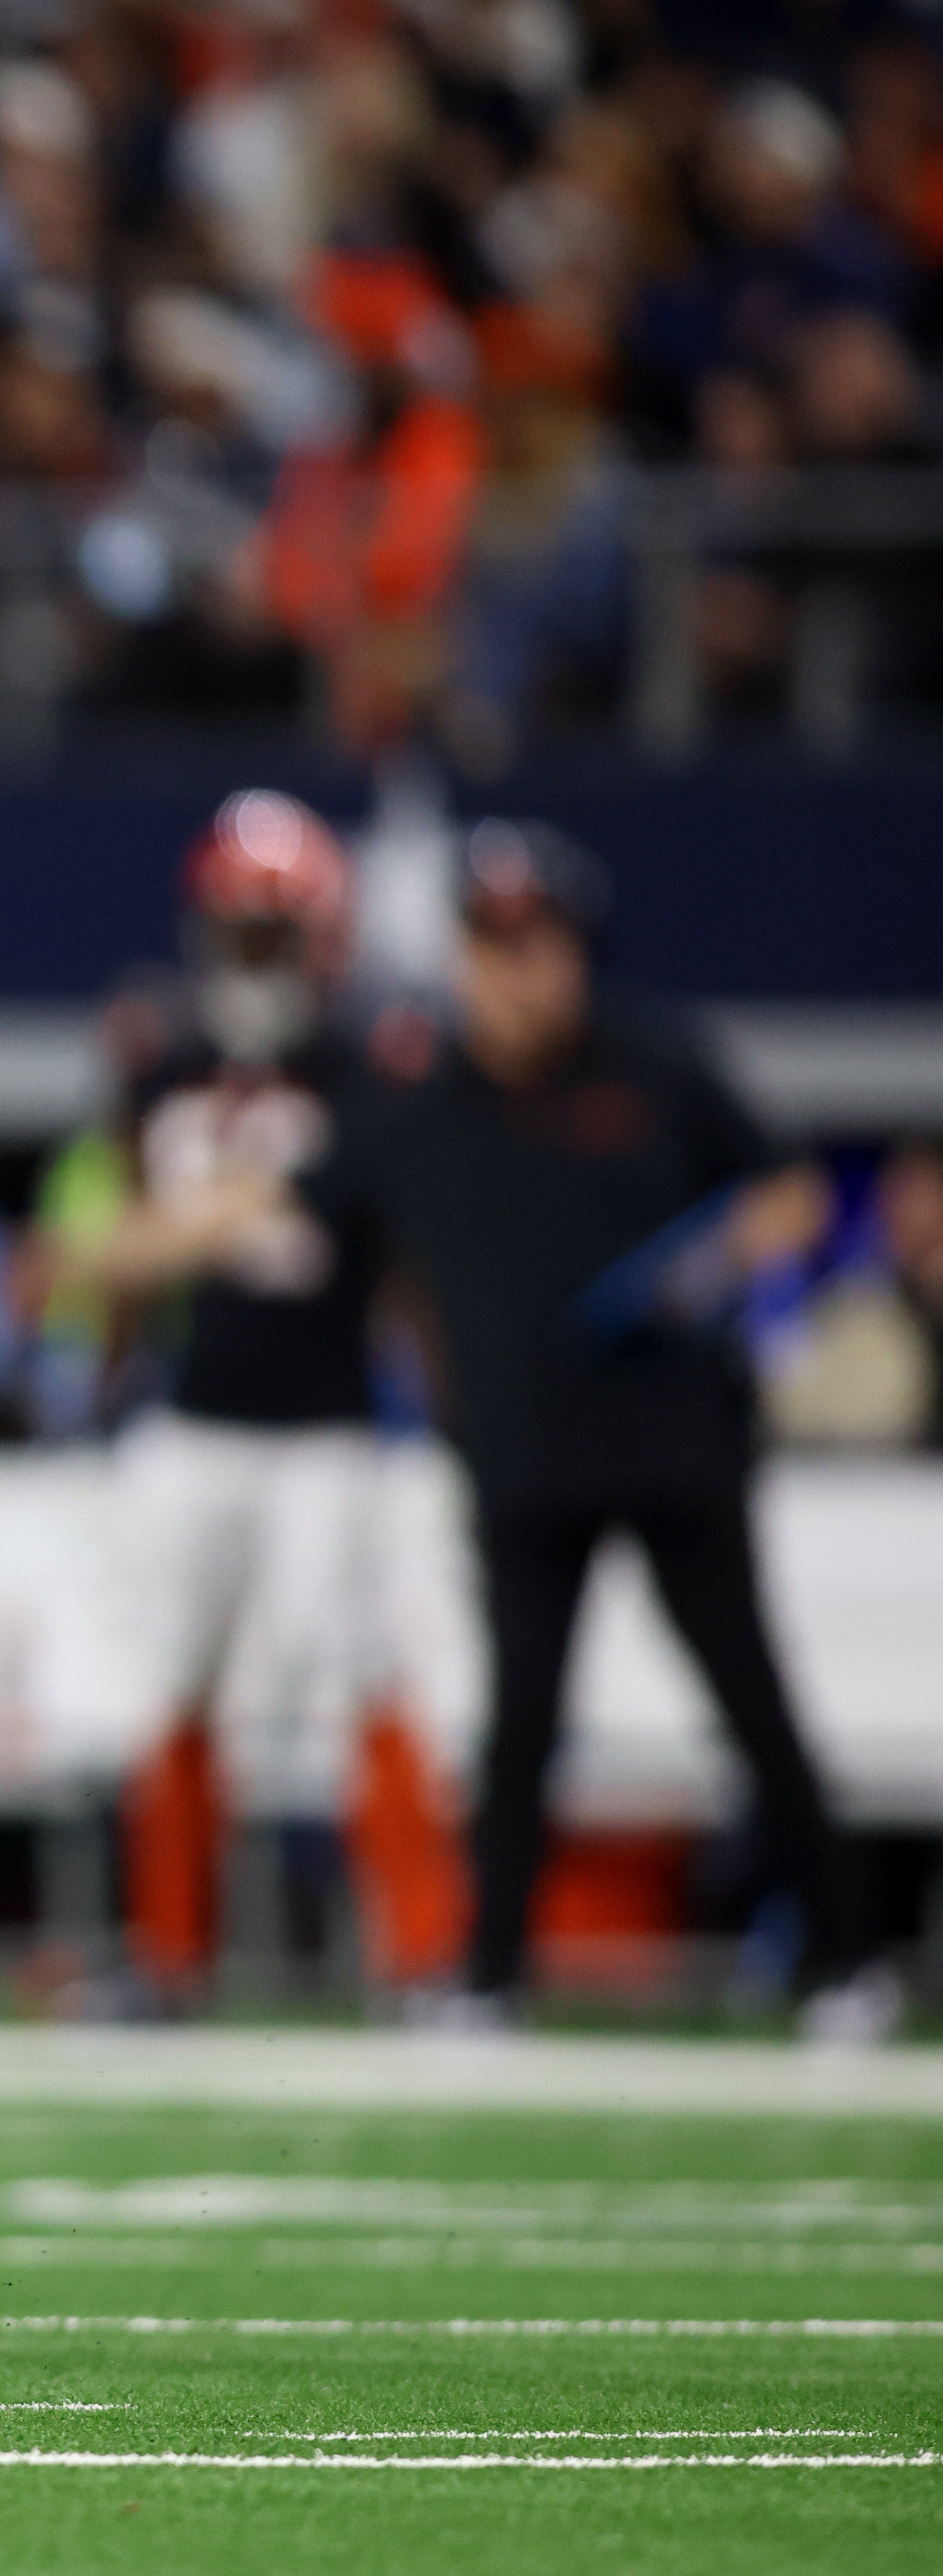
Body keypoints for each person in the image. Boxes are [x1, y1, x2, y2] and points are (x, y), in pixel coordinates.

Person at [188, 822, 896, 2042]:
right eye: (488, 946)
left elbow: (789, 1194)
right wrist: (115, 1246)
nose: (512, 974)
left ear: (577, 951)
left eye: (534, 945)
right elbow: (282, 1203)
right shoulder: (418, 1107)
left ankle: (847, 1957)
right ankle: (489, 1972)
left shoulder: (655, 1067)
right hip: (521, 1456)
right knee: (517, 1723)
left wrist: (704, 1265)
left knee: (753, 1703)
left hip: (673, 1446)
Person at [61, 792, 452, 2008]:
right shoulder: (165, 1061)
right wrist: (143, 1299)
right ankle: (170, 1961)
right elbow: (113, 1238)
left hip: (328, 1422)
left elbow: (388, 1248)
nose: (251, 956)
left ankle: (428, 1962)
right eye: (238, 930)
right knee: (170, 1683)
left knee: (358, 1673)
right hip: (195, 1416)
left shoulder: (362, 1069)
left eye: (270, 932)